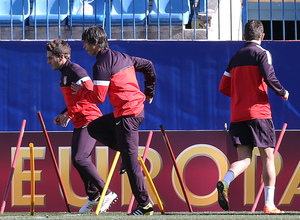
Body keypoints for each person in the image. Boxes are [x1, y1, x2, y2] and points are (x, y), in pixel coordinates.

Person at [71, 26, 157, 216]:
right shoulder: (123, 57)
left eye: (85, 42)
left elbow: (99, 98)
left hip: (128, 114)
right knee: (94, 127)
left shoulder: (101, 64)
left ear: (95, 43)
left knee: (130, 160)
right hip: (131, 112)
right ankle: (125, 152)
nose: (84, 46)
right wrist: (149, 92)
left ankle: (145, 205)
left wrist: (82, 92)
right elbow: (149, 65)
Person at [217, 19, 289, 214]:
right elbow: (269, 76)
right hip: (259, 113)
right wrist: (282, 92)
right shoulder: (263, 54)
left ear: (244, 36)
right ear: (262, 36)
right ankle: (269, 205)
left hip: (238, 115)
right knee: (267, 157)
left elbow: (223, 86)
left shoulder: (235, 57)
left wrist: (241, 94)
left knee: (245, 159)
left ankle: (225, 181)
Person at [46, 39, 118, 213]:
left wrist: (68, 114)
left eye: (50, 58)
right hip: (80, 120)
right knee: (77, 160)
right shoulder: (64, 72)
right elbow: (75, 99)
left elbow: (90, 94)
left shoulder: (75, 71)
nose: (48, 62)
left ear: (61, 57)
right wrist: (64, 113)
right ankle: (93, 197)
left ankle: (106, 193)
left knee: (80, 159)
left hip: (90, 120)